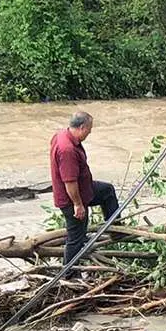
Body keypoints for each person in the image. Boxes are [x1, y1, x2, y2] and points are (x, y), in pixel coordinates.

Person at [50, 111, 120, 265]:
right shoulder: (67, 150)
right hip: (72, 198)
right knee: (75, 238)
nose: (90, 132)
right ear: (81, 127)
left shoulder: (61, 135)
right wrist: (78, 205)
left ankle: (115, 229)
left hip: (85, 189)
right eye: (89, 129)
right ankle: (68, 274)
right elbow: (69, 181)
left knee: (107, 191)